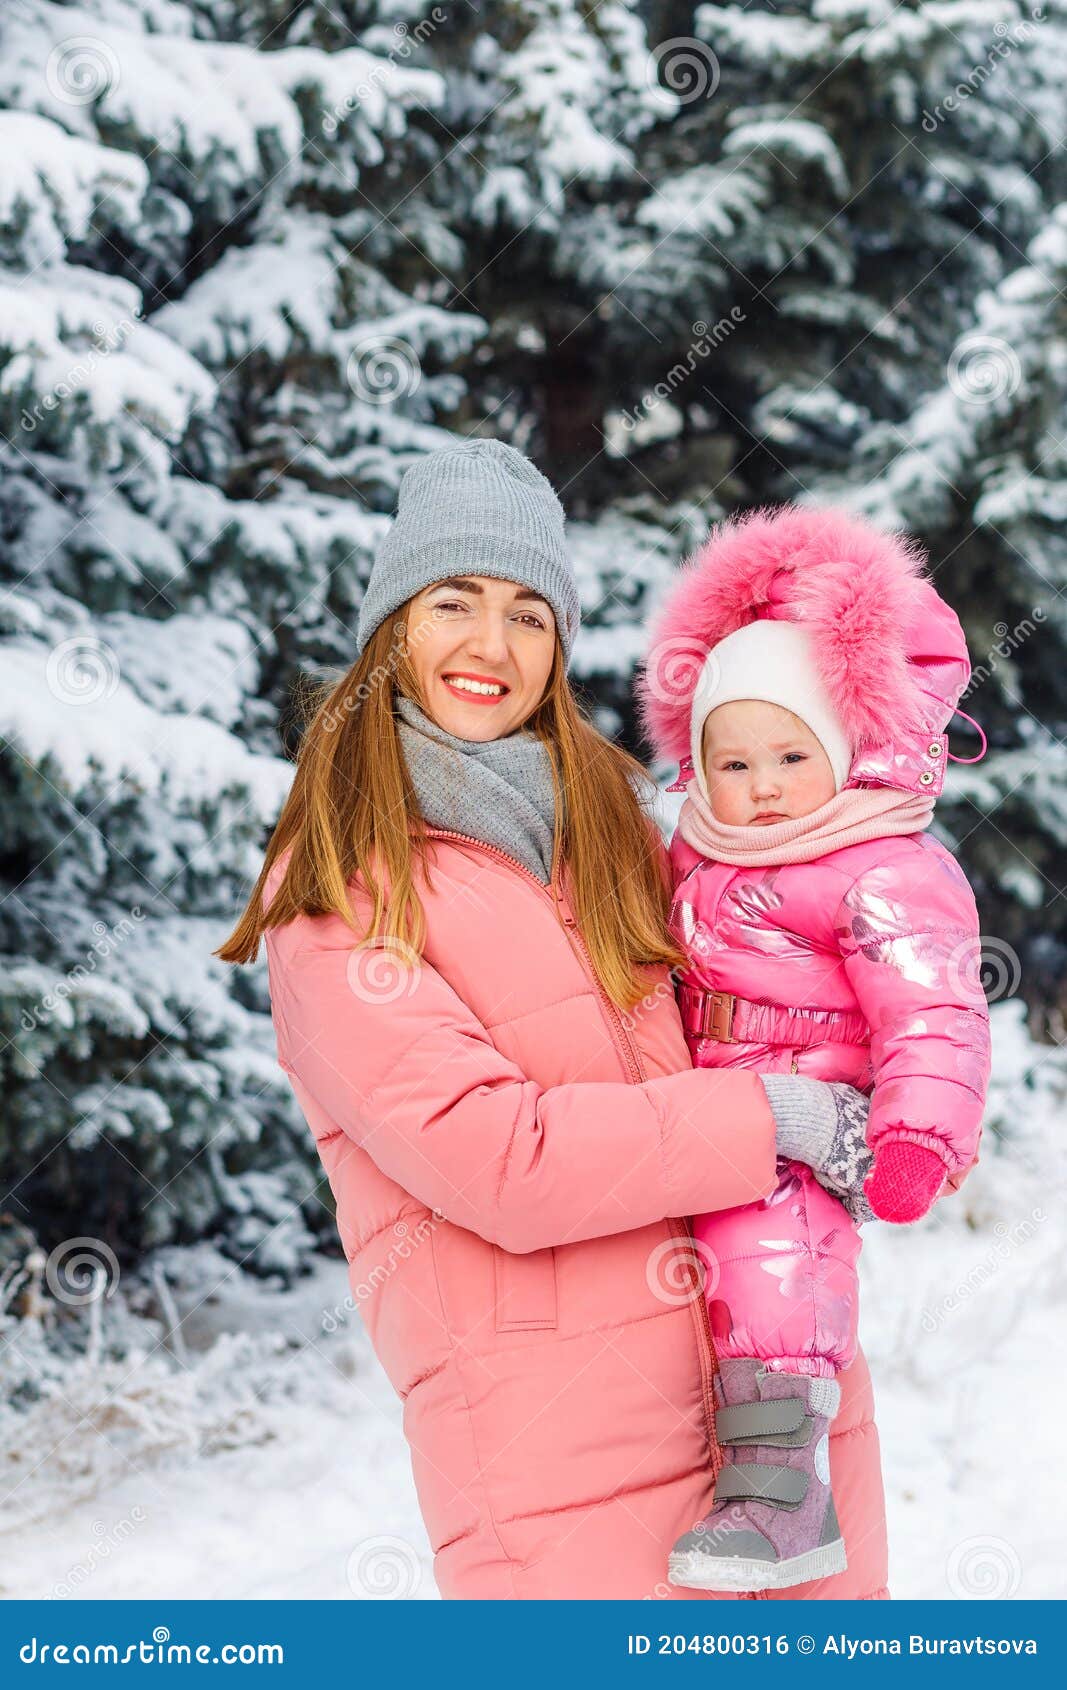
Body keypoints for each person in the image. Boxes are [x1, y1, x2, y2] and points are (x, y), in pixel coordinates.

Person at [217, 440, 888, 1599]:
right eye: (454, 602)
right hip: (558, 1480)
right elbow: (498, 1158)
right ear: (393, 627)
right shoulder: (335, 891)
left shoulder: (616, 833)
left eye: (529, 613)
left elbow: (764, 1003)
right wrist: (770, 1114)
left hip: (772, 1426)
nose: (492, 644)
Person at [637, 503, 990, 1594]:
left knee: (768, 1269)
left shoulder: (877, 864)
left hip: (805, 1127)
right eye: (733, 760)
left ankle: (782, 1495)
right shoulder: (695, 853)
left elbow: (930, 1009)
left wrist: (916, 1135)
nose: (765, 784)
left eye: (791, 754)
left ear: (838, 753)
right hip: (699, 1110)